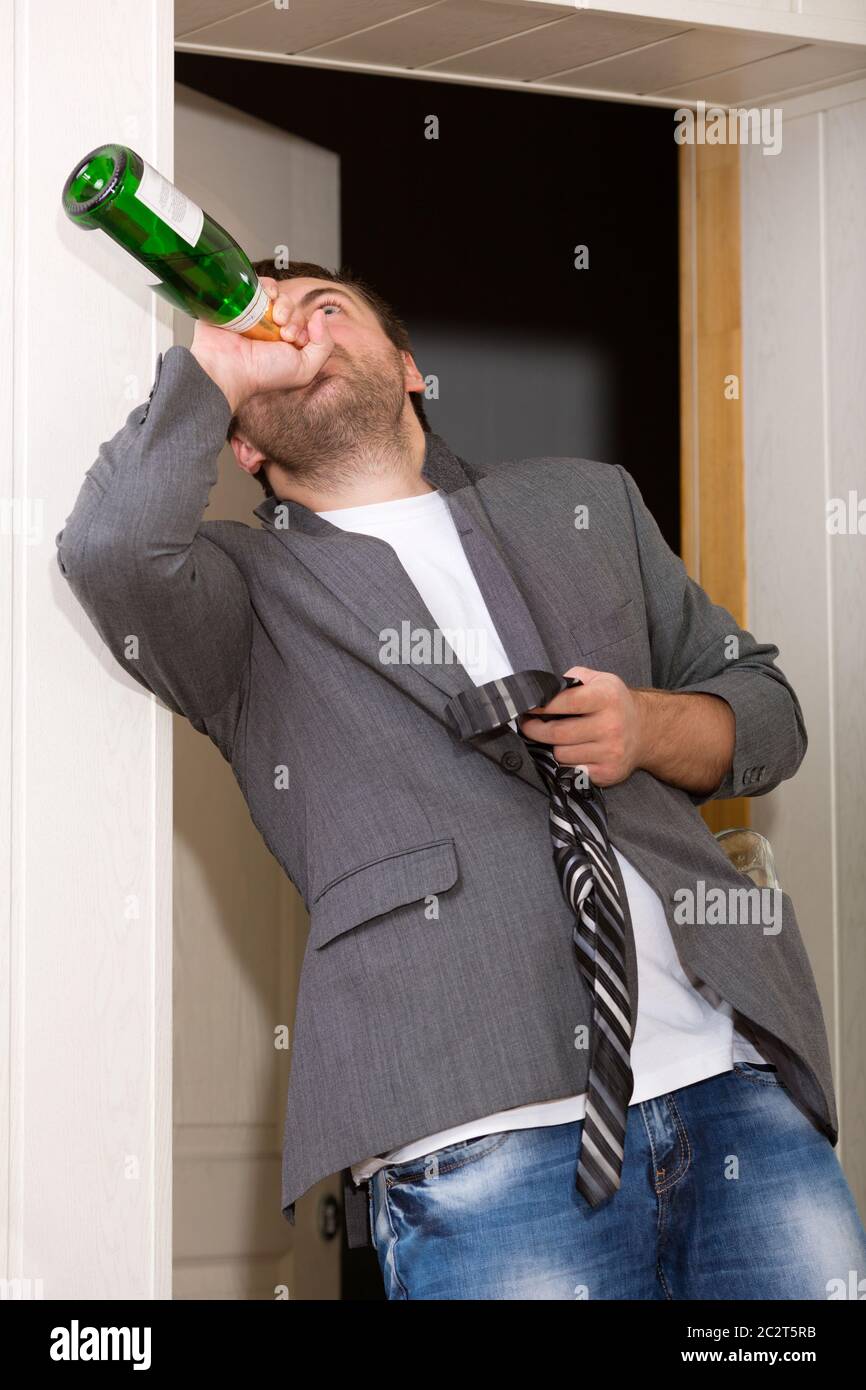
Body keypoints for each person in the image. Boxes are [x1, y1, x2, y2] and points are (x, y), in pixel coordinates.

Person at [56, 259, 866, 1300]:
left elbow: (765, 710)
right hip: (474, 1127)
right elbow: (110, 549)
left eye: (323, 310)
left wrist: (647, 723)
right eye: (260, 331)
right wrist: (213, 353)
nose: (292, 333)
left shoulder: (585, 502)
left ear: (406, 367)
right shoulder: (239, 598)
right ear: (240, 441)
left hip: (732, 1082)